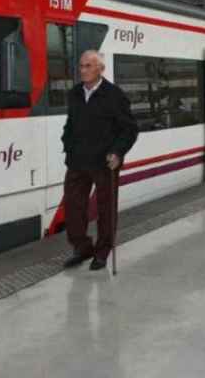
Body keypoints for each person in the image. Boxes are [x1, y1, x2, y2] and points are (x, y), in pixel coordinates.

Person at [61, 50, 139, 271]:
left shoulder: (114, 95)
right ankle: (82, 248)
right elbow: (71, 124)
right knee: (74, 207)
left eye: (88, 66)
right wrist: (67, 145)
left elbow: (129, 129)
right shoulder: (75, 93)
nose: (82, 70)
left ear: (100, 69)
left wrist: (117, 152)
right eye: (81, 66)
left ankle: (102, 252)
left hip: (105, 163)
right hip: (77, 162)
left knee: (106, 210)